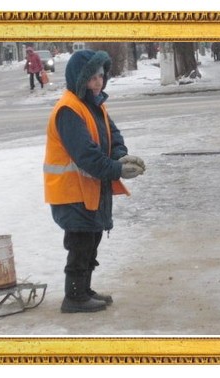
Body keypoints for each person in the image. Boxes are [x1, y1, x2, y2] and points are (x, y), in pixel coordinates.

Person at [43, 49, 146, 313]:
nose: (98, 81)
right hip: (71, 193)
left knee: (91, 240)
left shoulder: (95, 104)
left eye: (101, 75)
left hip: (89, 190)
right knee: (80, 244)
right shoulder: (69, 110)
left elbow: (114, 136)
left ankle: (84, 289)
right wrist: (116, 170)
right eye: (92, 77)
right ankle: (74, 296)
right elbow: (86, 155)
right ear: (79, 78)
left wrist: (120, 157)